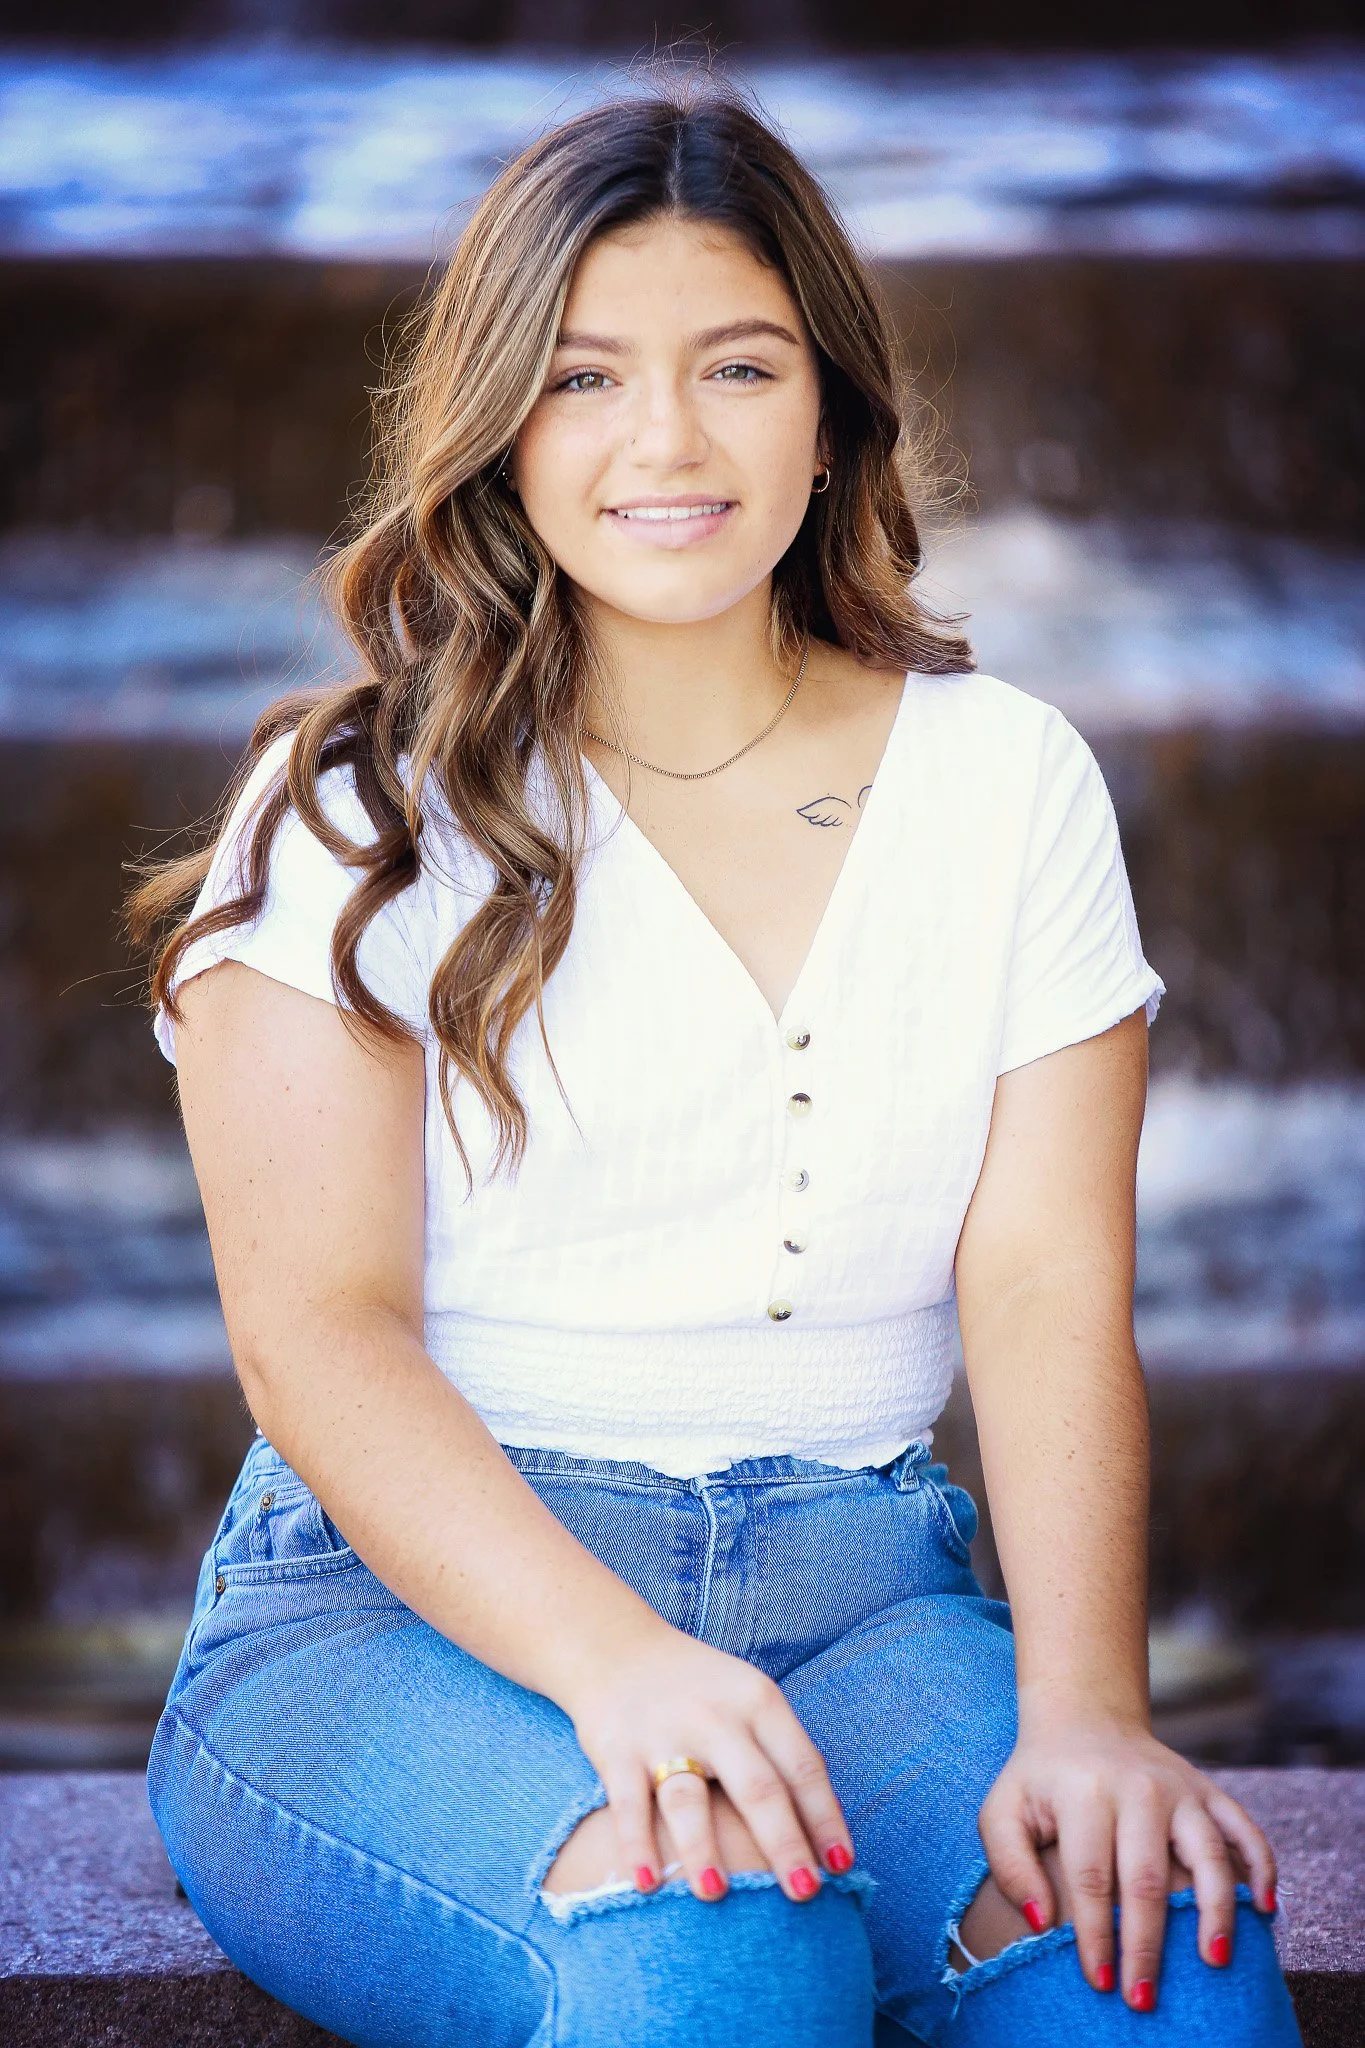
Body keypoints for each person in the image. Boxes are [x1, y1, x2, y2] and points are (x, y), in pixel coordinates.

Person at [130, 81, 1303, 2048]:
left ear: (831, 405)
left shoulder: (1006, 781)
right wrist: (620, 1669)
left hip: (867, 1607)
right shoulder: (355, 806)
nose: (664, 440)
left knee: (1154, 1965)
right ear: (501, 422)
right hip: (400, 1624)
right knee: (712, 1941)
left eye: (735, 365)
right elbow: (314, 1332)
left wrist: (1088, 1714)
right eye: (583, 376)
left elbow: (1036, 1285)